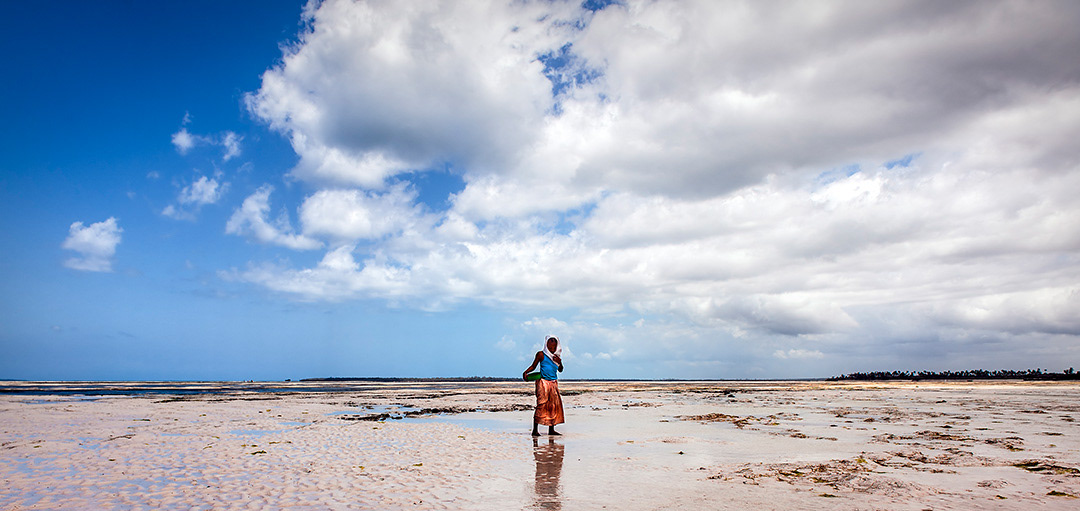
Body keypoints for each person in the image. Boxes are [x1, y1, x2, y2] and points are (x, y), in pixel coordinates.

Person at [523, 335, 565, 436]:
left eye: (554, 346)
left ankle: (551, 430)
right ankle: (535, 430)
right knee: (541, 405)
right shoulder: (541, 354)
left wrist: (560, 362)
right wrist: (525, 372)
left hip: (553, 383)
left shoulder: (556, 357)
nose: (552, 348)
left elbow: (560, 370)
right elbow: (533, 366)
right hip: (543, 382)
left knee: (553, 406)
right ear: (546, 344)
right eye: (550, 345)